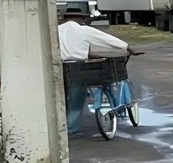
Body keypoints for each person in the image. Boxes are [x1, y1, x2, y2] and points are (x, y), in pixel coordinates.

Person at [58, 7, 139, 136]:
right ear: (82, 18)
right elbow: (106, 39)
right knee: (76, 97)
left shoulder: (56, 30)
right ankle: (70, 130)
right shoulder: (83, 30)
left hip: (59, 66)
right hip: (77, 67)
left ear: (63, 18)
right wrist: (128, 48)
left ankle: (59, 126)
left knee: (61, 98)